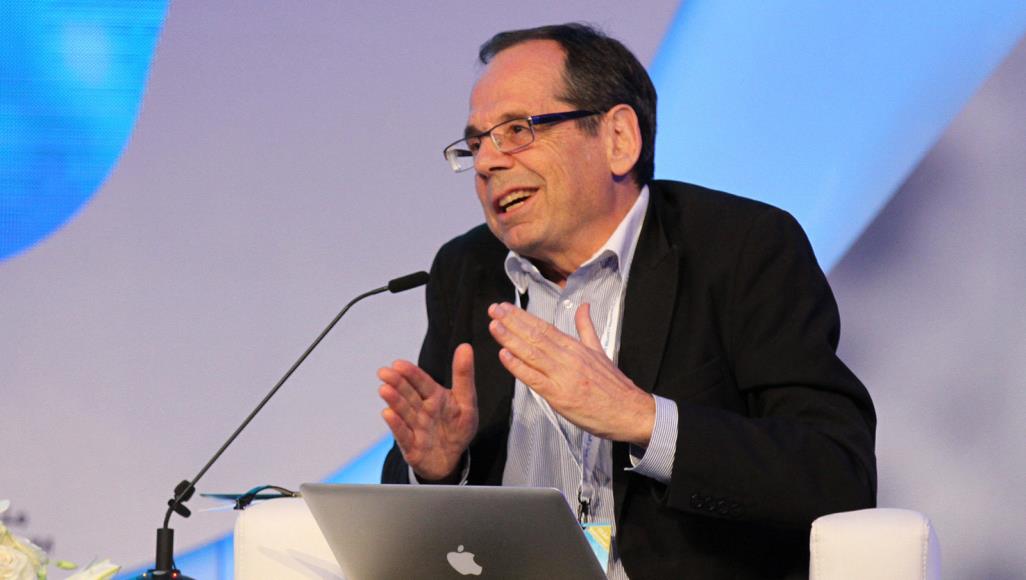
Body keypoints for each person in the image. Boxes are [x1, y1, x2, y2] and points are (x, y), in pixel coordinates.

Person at [377, 23, 876, 579]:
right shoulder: (467, 269)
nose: (488, 163)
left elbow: (836, 472)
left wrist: (644, 419)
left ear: (618, 138)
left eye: (516, 131)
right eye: (475, 145)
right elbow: (421, 483)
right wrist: (440, 469)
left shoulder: (741, 248)